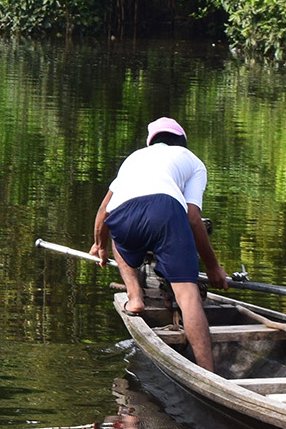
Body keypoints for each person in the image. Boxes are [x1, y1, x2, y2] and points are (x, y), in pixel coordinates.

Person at [91, 116, 230, 370]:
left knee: (117, 243)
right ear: (182, 143)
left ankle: (135, 298)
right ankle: (208, 373)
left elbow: (103, 212)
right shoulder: (193, 162)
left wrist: (99, 245)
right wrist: (212, 267)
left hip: (123, 214)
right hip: (166, 210)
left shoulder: (133, 158)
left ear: (150, 143)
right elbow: (193, 219)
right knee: (188, 297)